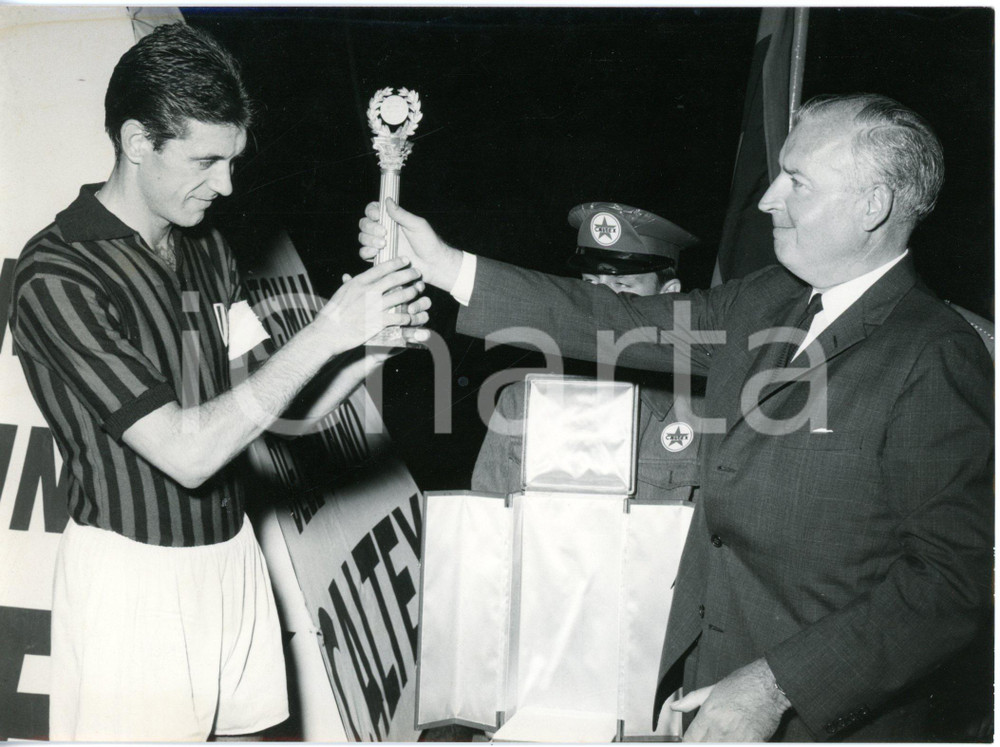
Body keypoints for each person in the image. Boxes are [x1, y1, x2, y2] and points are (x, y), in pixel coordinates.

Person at [359, 93, 993, 741]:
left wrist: (774, 686)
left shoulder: (935, 354)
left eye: (796, 181)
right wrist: (445, 265)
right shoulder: (768, 299)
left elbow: (951, 585)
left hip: (816, 719)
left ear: (873, 205)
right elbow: (616, 320)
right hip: (702, 691)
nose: (768, 199)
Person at [10, 24, 429, 741]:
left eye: (233, 160)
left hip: (232, 557)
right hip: (133, 583)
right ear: (137, 142)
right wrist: (326, 331)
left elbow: (272, 407)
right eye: (205, 161)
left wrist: (368, 346)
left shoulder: (207, 247)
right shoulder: (57, 274)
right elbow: (188, 451)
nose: (227, 185)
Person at [472, 201, 704, 504]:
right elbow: (485, 521)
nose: (600, 305)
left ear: (669, 295)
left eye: (622, 285)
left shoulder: (703, 414)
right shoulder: (522, 402)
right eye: (590, 285)